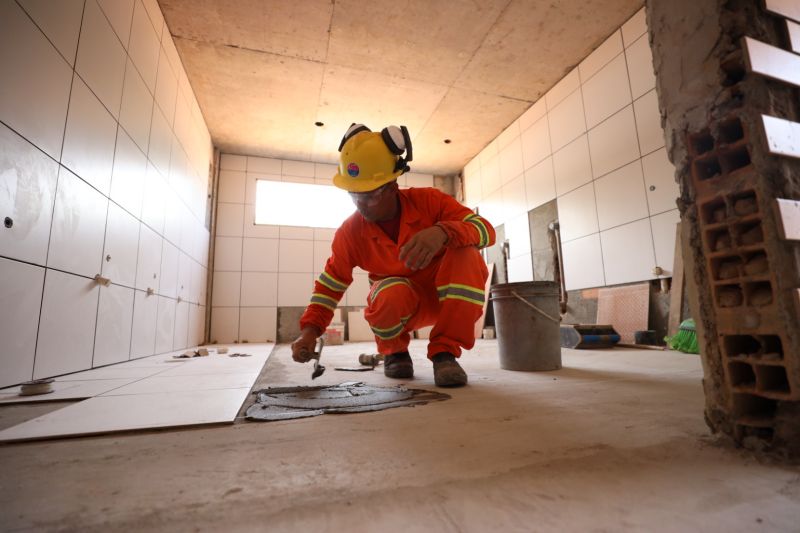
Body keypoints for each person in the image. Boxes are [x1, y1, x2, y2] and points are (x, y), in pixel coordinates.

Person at [290, 123, 495, 387]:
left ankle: (445, 354)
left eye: (370, 195)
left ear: (392, 186)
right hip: (402, 306)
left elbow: (486, 231)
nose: (362, 205)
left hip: (448, 297)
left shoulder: (430, 202)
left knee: (466, 254)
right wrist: (309, 331)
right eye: (354, 195)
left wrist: (443, 232)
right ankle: (395, 352)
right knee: (388, 292)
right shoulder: (350, 233)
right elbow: (330, 285)